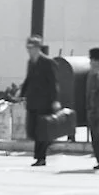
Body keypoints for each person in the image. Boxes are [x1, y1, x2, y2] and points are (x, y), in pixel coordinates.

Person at [22, 36, 61, 168]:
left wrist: (55, 100)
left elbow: (54, 83)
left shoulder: (47, 62)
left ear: (38, 48)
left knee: (41, 131)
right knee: (31, 130)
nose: (29, 50)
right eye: (28, 48)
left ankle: (40, 157)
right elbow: (28, 79)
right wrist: (21, 93)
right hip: (32, 101)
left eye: (31, 48)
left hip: (44, 102)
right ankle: (44, 148)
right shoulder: (30, 62)